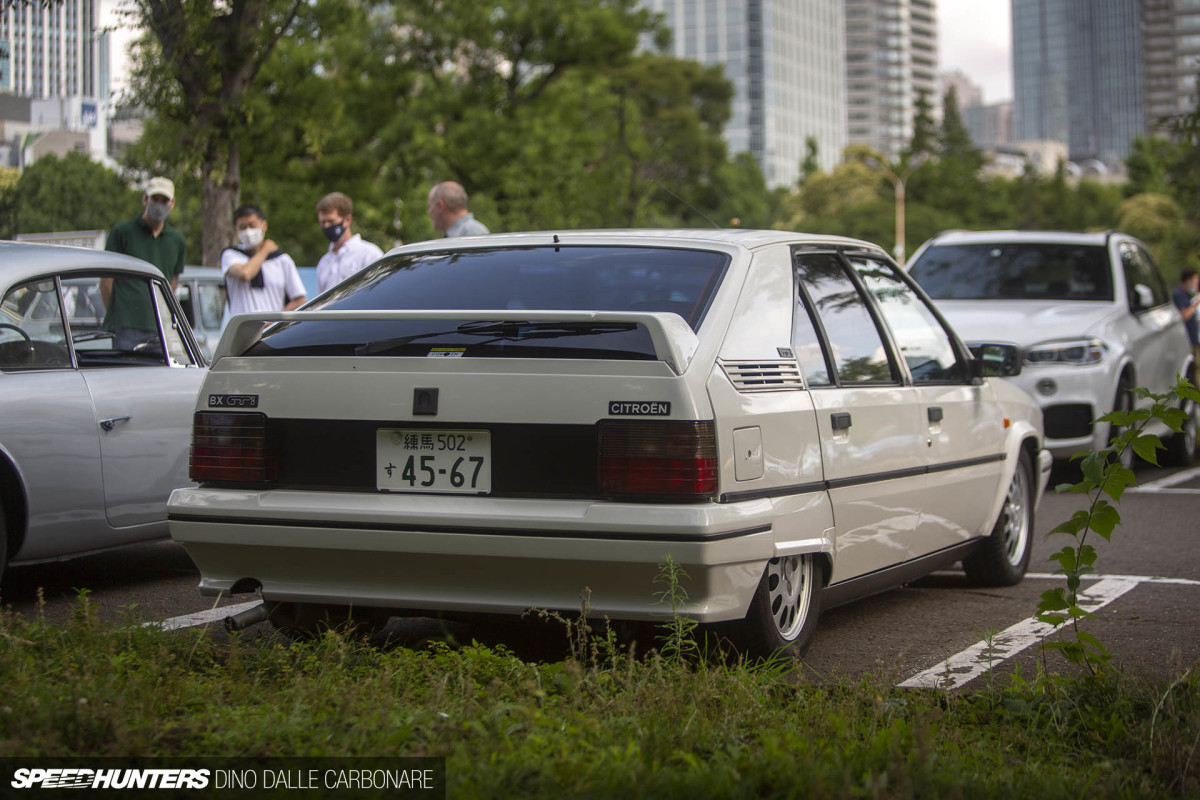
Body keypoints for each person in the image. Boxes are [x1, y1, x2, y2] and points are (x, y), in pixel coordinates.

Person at [102, 176, 186, 350]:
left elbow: (172, 282)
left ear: (172, 203)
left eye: (164, 200)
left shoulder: (177, 240)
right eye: (155, 199)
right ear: (145, 199)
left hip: (161, 328)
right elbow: (105, 282)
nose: (159, 205)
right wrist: (119, 315)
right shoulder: (122, 232)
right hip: (126, 328)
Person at [221, 204, 307, 316]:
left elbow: (299, 299)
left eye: (252, 225)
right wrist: (265, 250)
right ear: (235, 230)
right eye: (242, 227)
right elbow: (245, 274)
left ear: (264, 225)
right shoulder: (231, 255)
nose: (248, 231)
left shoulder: (281, 260)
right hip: (242, 326)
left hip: (274, 326)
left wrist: (276, 320)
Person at [315, 192, 384, 294]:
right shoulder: (323, 262)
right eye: (323, 222)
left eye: (331, 221)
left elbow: (381, 292)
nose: (326, 226)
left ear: (347, 219)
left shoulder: (370, 254)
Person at [1172, 267, 1200, 386]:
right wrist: (1195, 304)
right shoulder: (1179, 295)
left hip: (1194, 338)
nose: (1196, 284)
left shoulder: (1186, 295)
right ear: (1188, 280)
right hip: (1187, 340)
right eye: (1195, 281)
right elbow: (1184, 315)